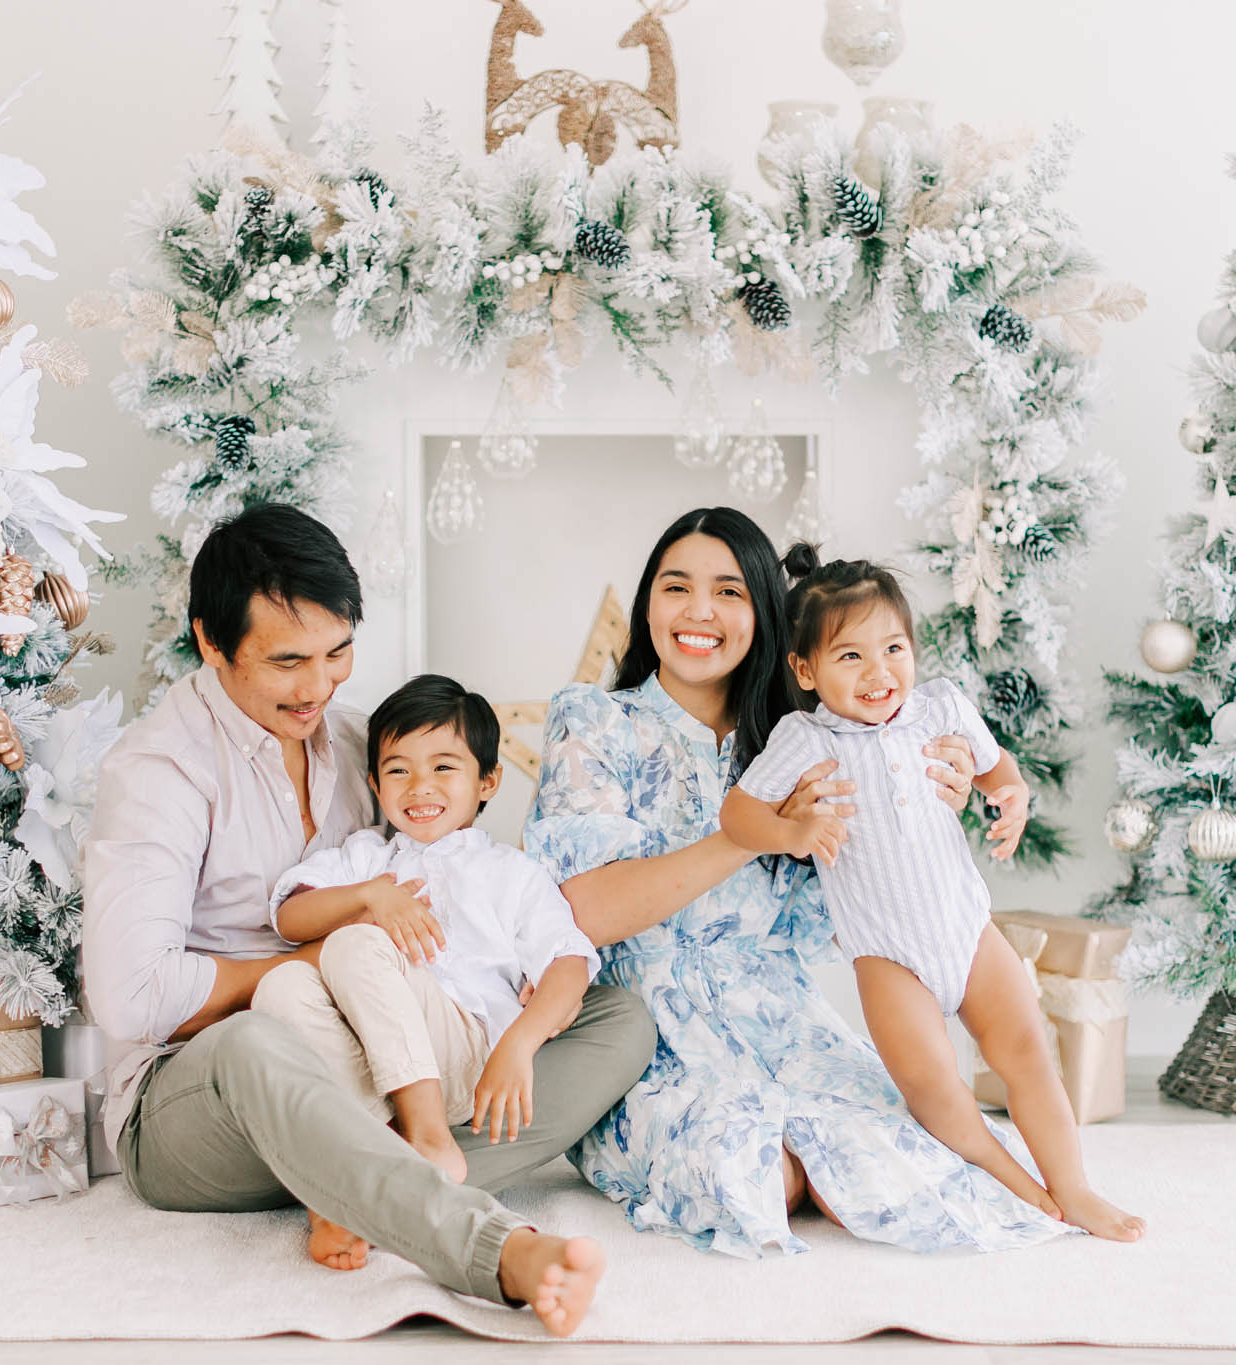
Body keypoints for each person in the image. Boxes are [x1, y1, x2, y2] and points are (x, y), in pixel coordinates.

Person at [82, 504, 655, 1336]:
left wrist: (506, 1022)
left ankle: (353, 1178)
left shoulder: (358, 743)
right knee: (258, 1037)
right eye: (288, 661)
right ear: (211, 641)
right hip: (202, 1094)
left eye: (338, 652)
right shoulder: (157, 771)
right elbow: (133, 999)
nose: (318, 686)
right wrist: (312, 960)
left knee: (615, 1014)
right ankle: (493, 1247)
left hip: (375, 1048)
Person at [522, 506, 1071, 1258]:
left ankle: (1053, 1192)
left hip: (785, 1021)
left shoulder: (804, 740)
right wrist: (753, 833)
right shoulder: (592, 719)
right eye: (676, 587)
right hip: (649, 1032)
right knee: (759, 1172)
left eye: (730, 592)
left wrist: (940, 794)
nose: (700, 612)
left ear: (768, 621)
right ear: (649, 601)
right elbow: (586, 907)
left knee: (909, 1153)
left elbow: (877, 889)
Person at [720, 545, 1143, 1241]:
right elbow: (738, 814)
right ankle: (1009, 1175)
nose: (879, 671)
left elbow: (995, 766)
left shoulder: (940, 705)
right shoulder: (804, 737)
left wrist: (1010, 797)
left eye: (893, 647)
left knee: (1028, 1050)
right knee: (931, 1085)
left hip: (966, 930)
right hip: (886, 954)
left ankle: (1075, 1186)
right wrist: (791, 831)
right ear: (805, 670)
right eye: (850, 656)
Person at [254, 674, 597, 1246]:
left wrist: (519, 1045)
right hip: (372, 1059)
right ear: (374, 782)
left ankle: (429, 1135)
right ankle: (346, 1185)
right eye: (398, 770)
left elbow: (570, 964)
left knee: (355, 943)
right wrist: (370, 896)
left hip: (460, 1059)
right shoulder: (369, 856)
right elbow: (290, 917)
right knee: (281, 988)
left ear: (487, 781)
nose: (419, 787)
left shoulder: (510, 873)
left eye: (443, 767)